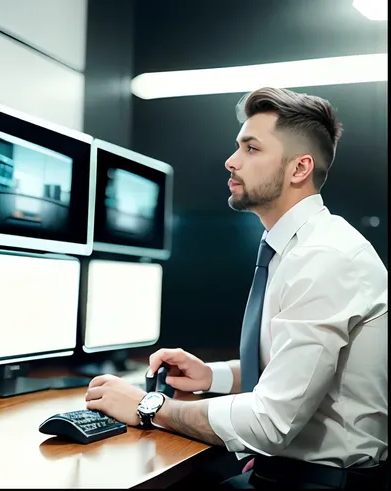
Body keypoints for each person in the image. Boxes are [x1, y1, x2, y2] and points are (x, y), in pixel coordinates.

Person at [84, 87, 388, 489]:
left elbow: (269, 424)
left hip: (320, 482)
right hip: (288, 471)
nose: (231, 161)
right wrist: (212, 376)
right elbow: (299, 371)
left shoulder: (326, 258)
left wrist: (146, 405)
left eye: (251, 148)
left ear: (299, 169)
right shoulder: (294, 247)